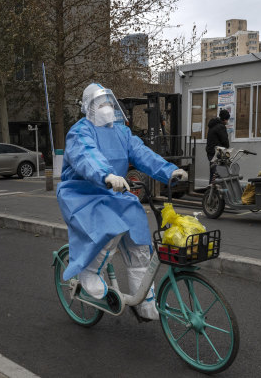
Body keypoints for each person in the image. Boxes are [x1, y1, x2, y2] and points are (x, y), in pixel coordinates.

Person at [57, 83, 188, 320]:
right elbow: (87, 154)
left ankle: (144, 300)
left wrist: (169, 171)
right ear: (89, 107)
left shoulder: (121, 132)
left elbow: (142, 153)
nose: (106, 107)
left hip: (115, 193)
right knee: (111, 229)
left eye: (109, 102)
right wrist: (106, 175)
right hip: (84, 194)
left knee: (140, 241)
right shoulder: (80, 131)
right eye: (100, 103)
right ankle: (89, 272)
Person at [205, 109, 230, 184]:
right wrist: (227, 147)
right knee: (219, 174)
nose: (227, 121)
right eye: (227, 119)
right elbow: (225, 142)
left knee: (213, 174)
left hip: (210, 153)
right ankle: (215, 192)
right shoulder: (221, 127)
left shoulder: (212, 126)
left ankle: (211, 192)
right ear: (225, 119)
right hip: (217, 154)